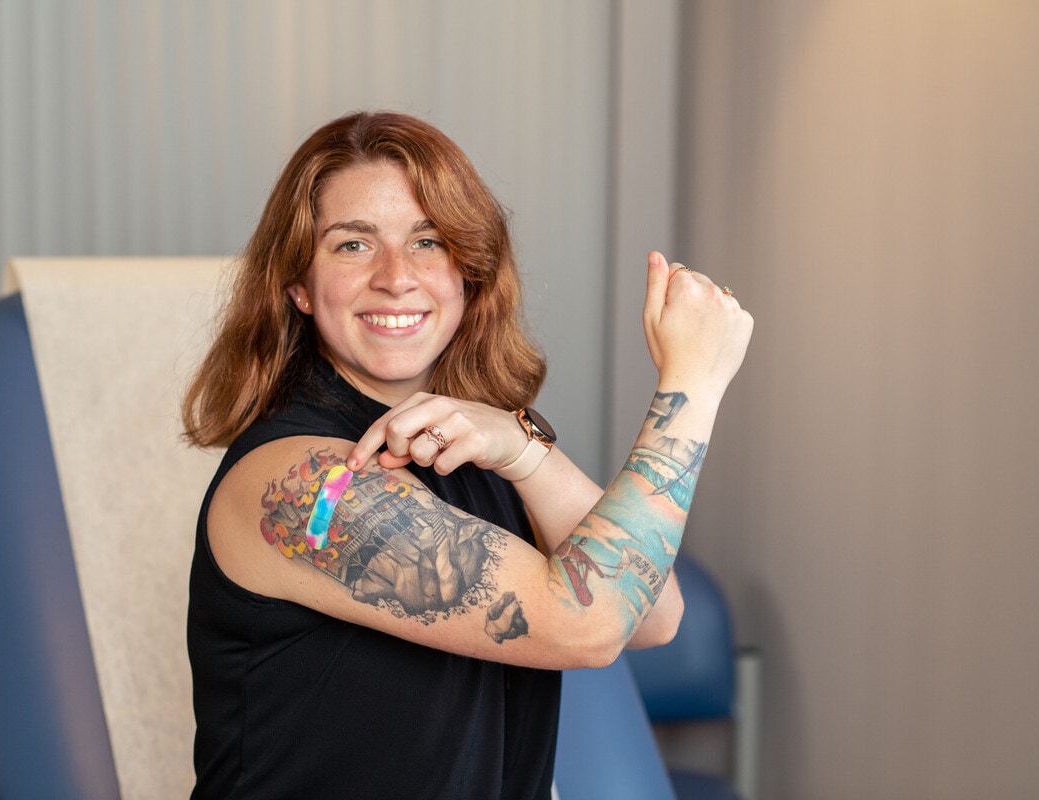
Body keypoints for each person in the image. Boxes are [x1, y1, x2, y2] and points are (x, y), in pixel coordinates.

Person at [182, 110, 753, 799]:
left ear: (470, 272)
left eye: (428, 241)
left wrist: (523, 451)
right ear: (298, 285)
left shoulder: (479, 438)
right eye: (352, 246)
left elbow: (652, 617)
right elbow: (592, 625)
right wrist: (692, 383)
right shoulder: (308, 484)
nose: (397, 277)